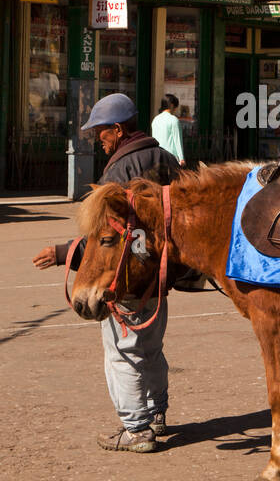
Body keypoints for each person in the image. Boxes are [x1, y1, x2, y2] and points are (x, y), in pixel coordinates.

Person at [32, 92, 181, 454]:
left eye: (101, 132)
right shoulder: (166, 159)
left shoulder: (116, 173)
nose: (98, 139)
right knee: (151, 347)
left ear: (118, 129)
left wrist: (63, 252)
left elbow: (107, 237)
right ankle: (157, 413)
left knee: (122, 351)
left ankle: (136, 429)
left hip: (124, 278)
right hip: (158, 275)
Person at [151, 93, 186, 167]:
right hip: (171, 159)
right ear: (172, 105)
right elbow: (178, 141)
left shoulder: (155, 120)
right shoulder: (174, 120)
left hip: (157, 158)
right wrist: (181, 158)